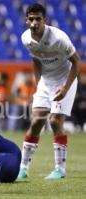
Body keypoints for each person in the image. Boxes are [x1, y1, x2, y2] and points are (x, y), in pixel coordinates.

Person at [17, 3, 80, 180]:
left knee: (54, 121)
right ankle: (23, 169)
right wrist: (38, 85)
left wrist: (66, 88)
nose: (34, 23)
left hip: (65, 79)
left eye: (38, 19)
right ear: (26, 20)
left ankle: (60, 169)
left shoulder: (59, 38)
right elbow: (36, 61)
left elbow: (76, 62)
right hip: (46, 81)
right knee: (36, 121)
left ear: (45, 20)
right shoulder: (25, 38)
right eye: (31, 19)